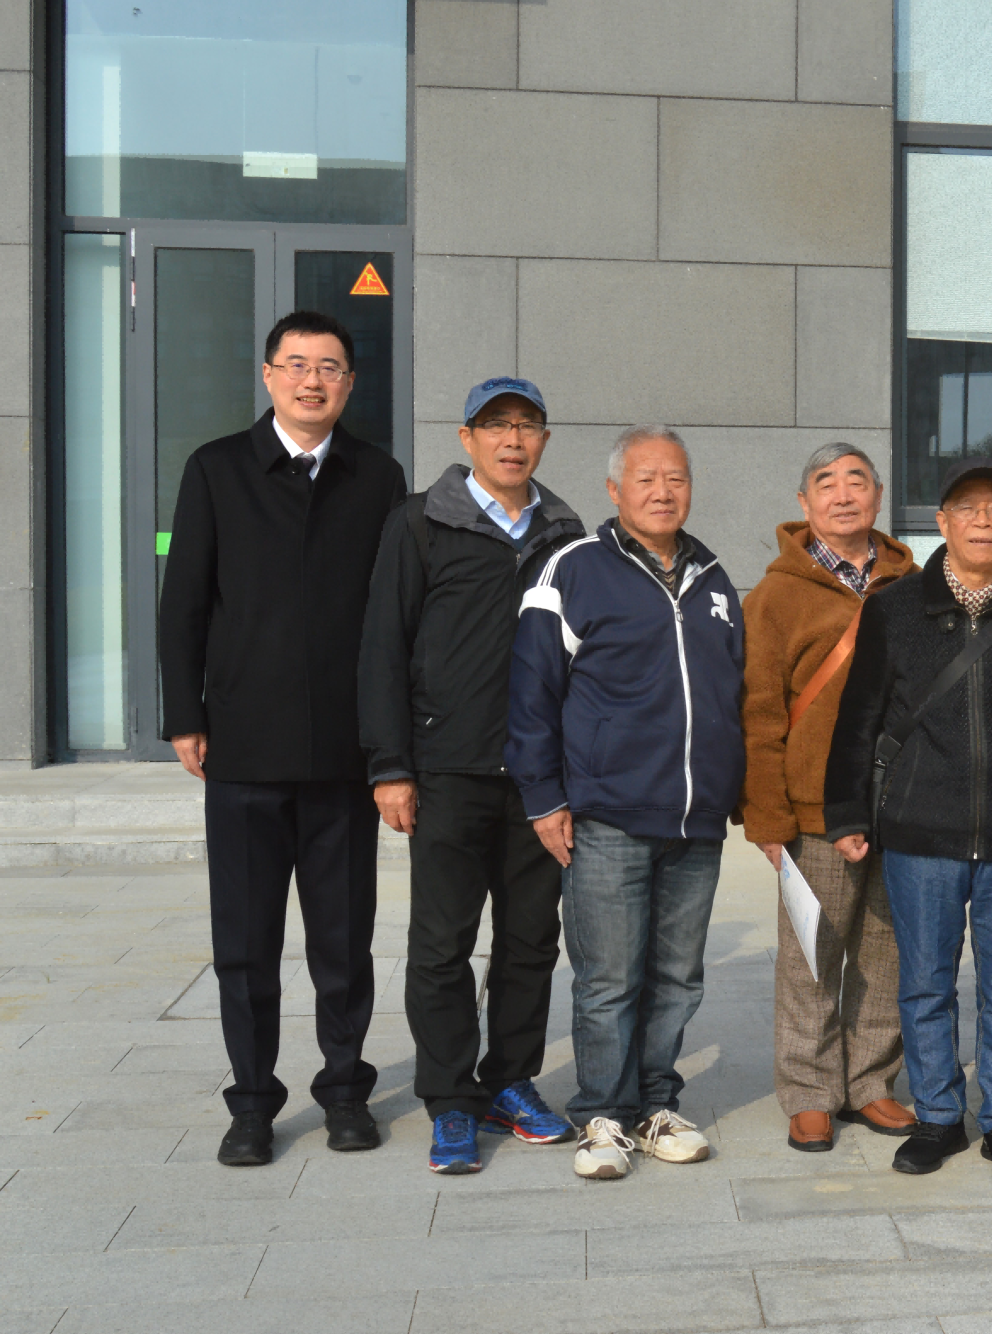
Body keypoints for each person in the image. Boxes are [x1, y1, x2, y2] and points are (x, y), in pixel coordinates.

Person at [159, 310, 409, 1167]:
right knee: (245, 945)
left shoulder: (377, 477)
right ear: (268, 376)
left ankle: (345, 1091)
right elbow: (184, 602)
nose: (312, 380)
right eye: (296, 364)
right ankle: (252, 1103)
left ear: (350, 383)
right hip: (244, 747)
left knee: (343, 941)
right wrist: (186, 714)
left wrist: (391, 744)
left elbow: (391, 619)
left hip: (343, 754)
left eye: (329, 367)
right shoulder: (217, 468)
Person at [822, 457, 992, 1185]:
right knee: (925, 984)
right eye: (966, 509)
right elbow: (859, 717)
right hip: (920, 829)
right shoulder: (895, 609)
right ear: (941, 522)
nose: (982, 521)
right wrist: (846, 811)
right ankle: (939, 1115)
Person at [358, 376, 586, 1175]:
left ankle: (510, 1082)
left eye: (527, 424)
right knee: (441, 944)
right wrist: (391, 765)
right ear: (467, 438)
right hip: (447, 768)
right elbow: (383, 645)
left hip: (538, 780)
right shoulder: (421, 522)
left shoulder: (566, 533)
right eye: (495, 425)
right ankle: (450, 1098)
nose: (512, 439)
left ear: (544, 440)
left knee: (530, 941)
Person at [506, 426, 744, 1181]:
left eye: (675, 478)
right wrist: (544, 798)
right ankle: (602, 1114)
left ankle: (656, 1105)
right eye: (645, 478)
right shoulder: (573, 568)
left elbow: (731, 692)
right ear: (615, 490)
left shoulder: (712, 577)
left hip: (695, 821)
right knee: (608, 978)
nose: (662, 491)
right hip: (607, 814)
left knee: (677, 976)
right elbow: (531, 693)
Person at [741, 443, 921, 1153]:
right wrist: (768, 817)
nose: (843, 495)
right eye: (826, 484)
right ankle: (811, 1091)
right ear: (804, 501)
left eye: (856, 482)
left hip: (899, 805)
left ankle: (871, 1082)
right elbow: (758, 712)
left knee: (886, 952)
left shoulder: (911, 584)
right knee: (812, 956)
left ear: (878, 494)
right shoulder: (776, 595)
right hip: (813, 810)